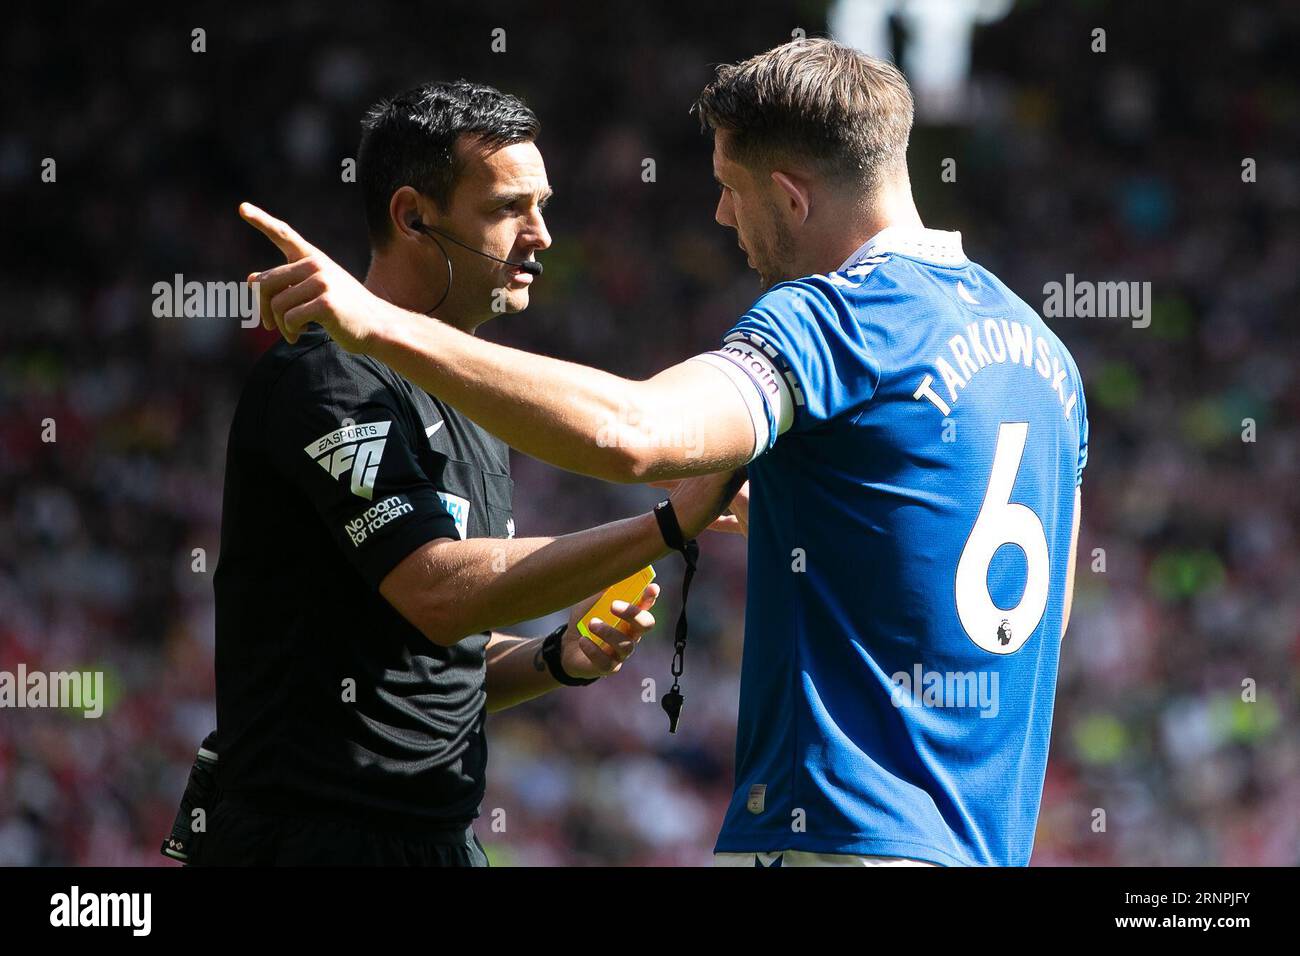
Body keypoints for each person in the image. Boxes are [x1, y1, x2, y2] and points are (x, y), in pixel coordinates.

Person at [242, 38, 1088, 867]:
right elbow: (1041, 616)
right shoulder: (1045, 356)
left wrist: (377, 323)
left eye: (729, 188)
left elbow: (634, 433)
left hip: (836, 833)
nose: (721, 214)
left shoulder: (837, 317)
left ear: (791, 199)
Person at [188, 80, 737, 867]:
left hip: (435, 841)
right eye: (511, 208)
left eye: (543, 205)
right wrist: (662, 526)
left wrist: (559, 656)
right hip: (309, 844)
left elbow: (434, 657)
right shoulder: (328, 379)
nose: (541, 235)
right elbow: (437, 592)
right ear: (413, 216)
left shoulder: (473, 401)